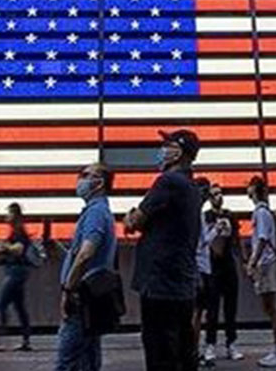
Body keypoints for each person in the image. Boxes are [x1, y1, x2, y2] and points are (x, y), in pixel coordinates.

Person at [126, 130, 203, 371]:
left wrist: (131, 217)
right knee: (183, 348)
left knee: (160, 351)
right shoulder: (192, 187)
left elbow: (135, 221)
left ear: (178, 152)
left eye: (166, 145)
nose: (161, 150)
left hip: (160, 283)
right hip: (182, 282)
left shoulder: (168, 182)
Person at [56, 163, 116, 371]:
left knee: (67, 362)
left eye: (84, 175)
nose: (79, 180)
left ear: (99, 183)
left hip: (81, 298)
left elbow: (86, 253)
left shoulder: (96, 213)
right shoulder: (100, 211)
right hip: (91, 297)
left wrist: (68, 289)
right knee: (88, 361)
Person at [245, 177, 276, 367]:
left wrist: (252, 262)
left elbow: (263, 240)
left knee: (272, 308)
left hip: (265, 264)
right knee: (270, 308)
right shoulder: (263, 212)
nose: (247, 189)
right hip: (266, 263)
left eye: (249, 186)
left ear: (255, 189)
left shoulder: (260, 213)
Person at [195, 178, 243, 366]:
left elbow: (237, 240)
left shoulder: (230, 216)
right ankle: (210, 344)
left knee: (231, 307)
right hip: (212, 266)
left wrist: (245, 260)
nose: (218, 197)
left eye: (220, 193)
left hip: (228, 265)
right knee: (212, 308)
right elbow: (204, 241)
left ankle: (231, 343)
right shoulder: (206, 217)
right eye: (214, 194)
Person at [0, 202, 35, 351]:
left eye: (8, 213)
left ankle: (1, 342)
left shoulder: (19, 231)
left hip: (16, 272)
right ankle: (26, 341)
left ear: (15, 215)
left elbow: (19, 250)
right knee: (20, 307)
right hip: (16, 271)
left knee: (2, 305)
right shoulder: (15, 232)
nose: (6, 216)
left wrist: (4, 247)